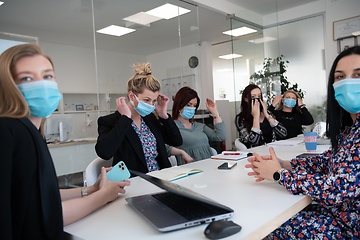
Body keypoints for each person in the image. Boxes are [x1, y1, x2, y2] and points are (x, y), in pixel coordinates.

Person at [0, 44, 131, 239]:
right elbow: (46, 217)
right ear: (8, 86)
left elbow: (43, 195)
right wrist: (101, 197)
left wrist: (90, 189)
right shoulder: (13, 130)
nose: (42, 84)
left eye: (47, 76)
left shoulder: (31, 132)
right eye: (26, 78)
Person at [246, 46, 360, 239]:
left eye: (357, 74)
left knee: (268, 221)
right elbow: (329, 161)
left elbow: (338, 188)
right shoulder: (350, 130)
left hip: (346, 226)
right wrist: (285, 164)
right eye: (340, 77)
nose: (348, 82)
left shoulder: (295, 115)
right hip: (335, 213)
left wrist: (279, 173)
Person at [95, 63, 182, 174]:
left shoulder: (149, 119)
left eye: (154, 101)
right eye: (146, 100)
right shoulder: (110, 121)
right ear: (131, 96)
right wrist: (125, 118)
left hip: (161, 178)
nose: (151, 105)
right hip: (133, 181)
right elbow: (105, 153)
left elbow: (177, 141)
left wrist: (164, 116)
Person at [167, 86, 226, 165]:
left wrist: (215, 112)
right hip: (189, 169)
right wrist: (181, 152)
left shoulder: (200, 126)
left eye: (194, 105)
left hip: (210, 166)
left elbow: (221, 136)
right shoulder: (172, 127)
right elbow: (163, 147)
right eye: (188, 105)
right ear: (179, 105)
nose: (192, 108)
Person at [235, 84, 287, 148]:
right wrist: (256, 117)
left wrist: (267, 115)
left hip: (272, 149)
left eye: (259, 96)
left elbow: (283, 133)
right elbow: (253, 141)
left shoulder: (267, 113)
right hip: (254, 153)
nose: (257, 100)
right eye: (253, 97)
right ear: (246, 99)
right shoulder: (241, 118)